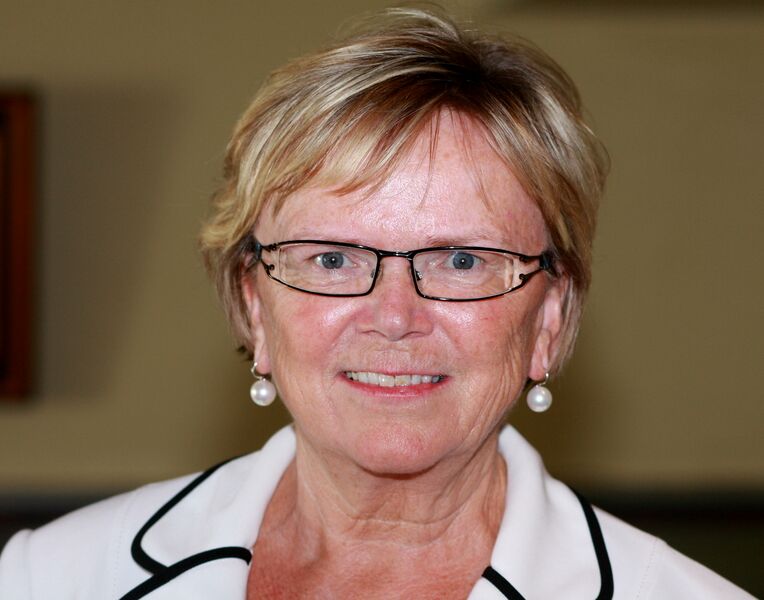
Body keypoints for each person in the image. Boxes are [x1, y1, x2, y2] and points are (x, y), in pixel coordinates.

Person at [0, 8, 754, 600]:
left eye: (462, 260)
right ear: (255, 307)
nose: (394, 317)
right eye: (332, 258)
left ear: (548, 322)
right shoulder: (49, 579)